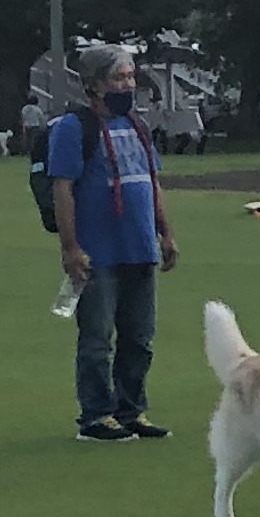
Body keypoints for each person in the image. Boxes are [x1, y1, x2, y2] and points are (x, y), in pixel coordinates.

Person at [43, 59, 181, 437]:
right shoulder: (74, 128)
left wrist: (165, 233)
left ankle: (131, 410)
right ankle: (95, 416)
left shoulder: (137, 125)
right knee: (97, 339)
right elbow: (63, 189)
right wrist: (70, 247)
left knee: (139, 338)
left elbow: (151, 182)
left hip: (139, 246)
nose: (128, 84)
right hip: (97, 252)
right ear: (94, 84)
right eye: (118, 77)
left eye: (130, 76)